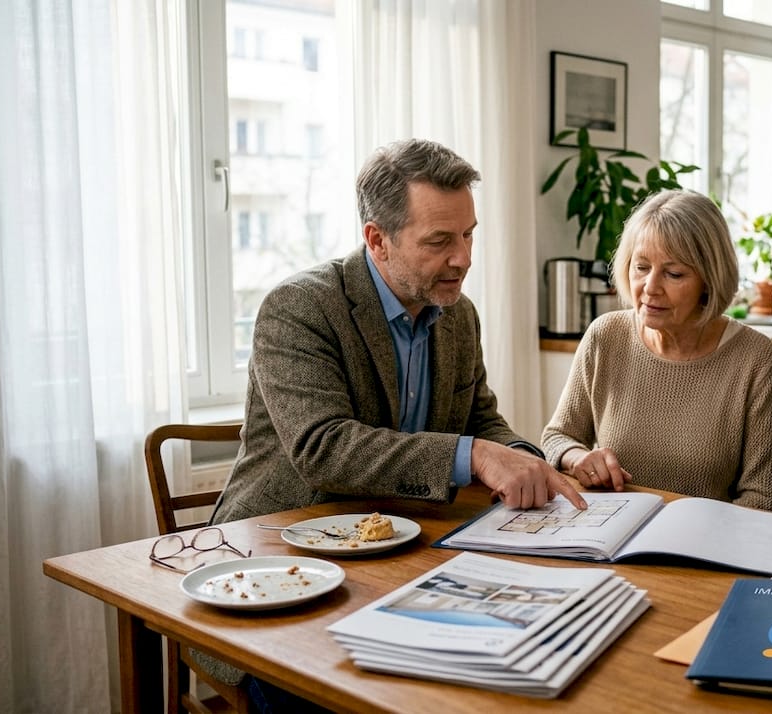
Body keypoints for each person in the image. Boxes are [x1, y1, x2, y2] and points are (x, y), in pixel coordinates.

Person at [202, 138, 585, 707]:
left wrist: (526, 458)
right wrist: (477, 456)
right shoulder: (299, 308)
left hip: (407, 552)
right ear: (376, 239)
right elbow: (323, 446)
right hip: (281, 561)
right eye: (439, 241)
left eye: (469, 234)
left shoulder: (458, 313)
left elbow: (481, 418)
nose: (464, 258)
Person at [542, 189, 772, 510]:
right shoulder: (605, 336)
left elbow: (763, 496)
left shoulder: (753, 357)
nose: (650, 287)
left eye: (674, 274)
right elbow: (557, 438)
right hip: (613, 535)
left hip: (710, 547)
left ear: (709, 280)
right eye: (641, 267)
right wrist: (577, 459)